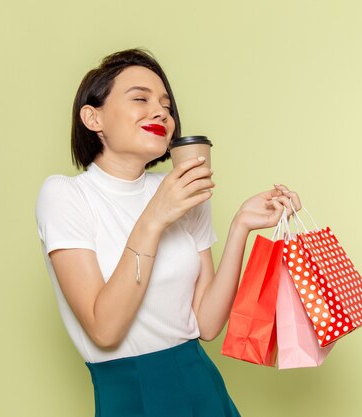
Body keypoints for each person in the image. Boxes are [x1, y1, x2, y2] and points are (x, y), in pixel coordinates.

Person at [35, 48, 302, 417]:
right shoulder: (66, 195)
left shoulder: (182, 192)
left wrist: (241, 225)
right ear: (92, 117)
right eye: (140, 98)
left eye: (166, 104)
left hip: (202, 386)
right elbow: (105, 329)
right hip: (130, 395)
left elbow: (206, 325)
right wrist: (156, 217)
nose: (162, 112)